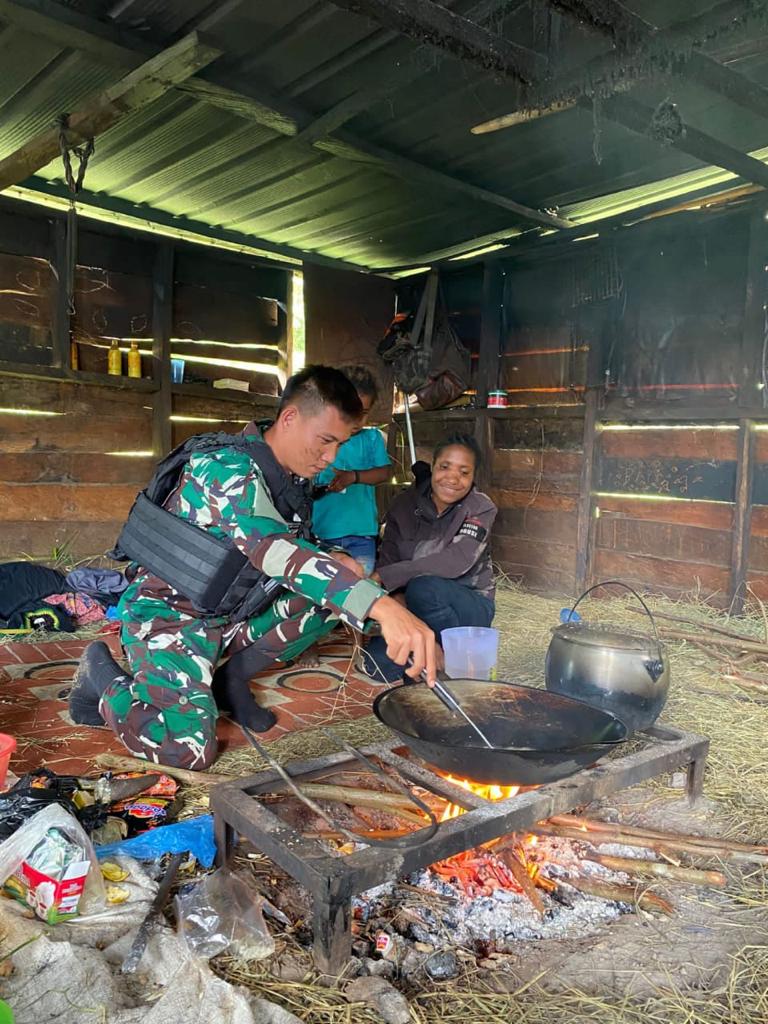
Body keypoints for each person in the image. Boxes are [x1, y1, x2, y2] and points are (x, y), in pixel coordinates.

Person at [68, 365, 438, 770]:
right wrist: (382, 607)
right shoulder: (225, 467)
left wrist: (342, 562)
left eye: (340, 444)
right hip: (169, 615)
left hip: (227, 611)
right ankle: (100, 677)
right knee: (188, 749)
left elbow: (295, 543)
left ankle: (228, 682)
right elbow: (273, 549)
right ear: (290, 418)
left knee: (335, 588)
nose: (332, 457)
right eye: (326, 441)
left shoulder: (286, 477)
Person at [361, 433, 497, 684]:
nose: (453, 478)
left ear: (473, 477)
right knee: (377, 664)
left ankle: (444, 660)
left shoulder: (480, 507)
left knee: (424, 588)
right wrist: (400, 606)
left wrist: (387, 576)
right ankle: (431, 651)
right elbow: (388, 561)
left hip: (468, 606)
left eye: (464, 472)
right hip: (417, 606)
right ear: (433, 466)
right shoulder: (403, 504)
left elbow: (455, 561)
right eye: (445, 467)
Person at [312, 365, 391, 577]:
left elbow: (384, 473)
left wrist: (353, 477)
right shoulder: (320, 439)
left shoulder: (372, 438)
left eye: (363, 412)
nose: (356, 419)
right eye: (349, 409)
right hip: (321, 534)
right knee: (325, 587)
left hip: (361, 535)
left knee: (360, 587)